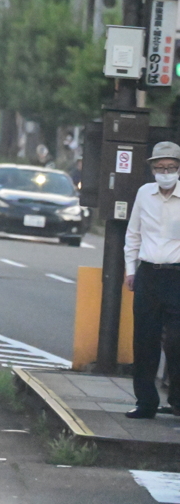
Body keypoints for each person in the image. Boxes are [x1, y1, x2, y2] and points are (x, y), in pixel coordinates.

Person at [123, 141, 180, 419]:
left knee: (177, 341)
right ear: (152, 170)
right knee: (144, 340)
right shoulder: (144, 193)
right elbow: (133, 233)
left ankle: (177, 401)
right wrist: (130, 269)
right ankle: (145, 402)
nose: (165, 172)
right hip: (147, 274)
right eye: (160, 167)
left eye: (170, 167)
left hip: (177, 275)